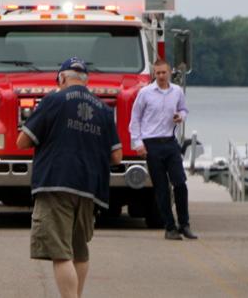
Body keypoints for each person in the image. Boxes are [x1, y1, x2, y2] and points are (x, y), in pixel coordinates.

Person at [17, 57, 122, 298]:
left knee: (60, 253)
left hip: (56, 182)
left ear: (62, 78)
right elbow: (116, 156)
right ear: (86, 80)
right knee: (79, 250)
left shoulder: (52, 100)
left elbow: (22, 141)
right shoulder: (104, 110)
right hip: (90, 187)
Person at [129, 59, 197, 240]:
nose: (160, 76)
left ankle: (185, 224)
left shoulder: (177, 91)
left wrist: (180, 116)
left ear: (169, 73)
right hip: (151, 144)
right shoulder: (145, 93)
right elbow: (135, 118)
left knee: (180, 183)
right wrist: (138, 143)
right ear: (154, 74)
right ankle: (169, 227)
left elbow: (184, 109)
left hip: (170, 142)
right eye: (157, 73)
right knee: (161, 188)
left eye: (163, 73)